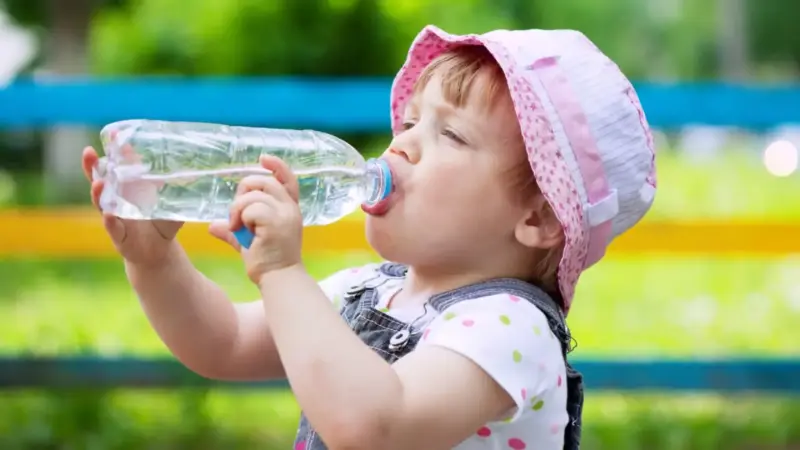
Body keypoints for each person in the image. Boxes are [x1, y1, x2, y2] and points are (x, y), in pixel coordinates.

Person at [81, 25, 656, 450]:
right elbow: (224, 342)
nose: (401, 144)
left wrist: (282, 273)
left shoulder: (512, 328)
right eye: (408, 122)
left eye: (451, 135)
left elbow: (376, 426)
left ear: (539, 219)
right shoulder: (368, 290)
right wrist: (154, 261)